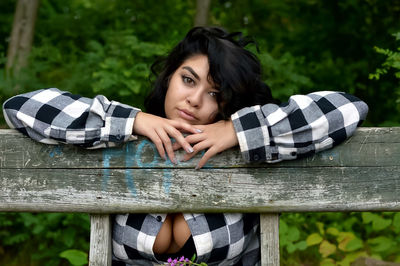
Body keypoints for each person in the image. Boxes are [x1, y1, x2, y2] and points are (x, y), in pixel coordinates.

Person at [2, 27, 368, 265]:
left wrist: (238, 132)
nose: (194, 100)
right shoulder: (120, 137)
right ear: (169, 76)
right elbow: (20, 108)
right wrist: (133, 120)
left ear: (228, 104)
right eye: (188, 80)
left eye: (215, 94)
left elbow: (348, 108)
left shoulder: (246, 145)